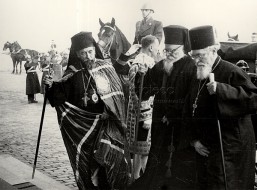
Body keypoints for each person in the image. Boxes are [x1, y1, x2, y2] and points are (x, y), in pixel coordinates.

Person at [43, 32, 131, 190]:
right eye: (83, 53)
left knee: (108, 159)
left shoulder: (106, 67)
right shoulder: (72, 73)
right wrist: (50, 87)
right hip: (85, 128)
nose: (88, 56)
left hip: (107, 125)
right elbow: (59, 98)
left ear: (95, 49)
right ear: (77, 54)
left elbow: (119, 92)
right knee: (90, 165)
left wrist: (109, 111)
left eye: (90, 51)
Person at [184, 25, 257, 189]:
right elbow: (188, 108)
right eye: (193, 56)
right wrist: (193, 140)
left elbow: (254, 100)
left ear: (213, 51)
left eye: (200, 55)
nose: (196, 61)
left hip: (230, 147)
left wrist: (222, 89)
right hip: (205, 147)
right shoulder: (198, 73)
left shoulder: (231, 71)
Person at [129, 25, 197, 190]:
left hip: (181, 127)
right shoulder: (160, 67)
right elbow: (144, 92)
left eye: (173, 51)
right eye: (167, 51)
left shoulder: (192, 67)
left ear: (183, 48)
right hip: (161, 127)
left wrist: (174, 114)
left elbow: (192, 98)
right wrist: (141, 75)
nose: (169, 55)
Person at [124, 35, 160, 180]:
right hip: (145, 115)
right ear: (151, 47)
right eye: (157, 46)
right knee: (143, 152)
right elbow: (139, 94)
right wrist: (148, 116)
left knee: (139, 152)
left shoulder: (136, 62)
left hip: (135, 114)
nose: (158, 50)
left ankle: (136, 180)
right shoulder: (146, 64)